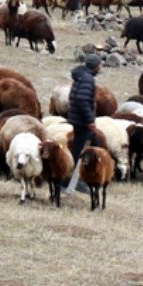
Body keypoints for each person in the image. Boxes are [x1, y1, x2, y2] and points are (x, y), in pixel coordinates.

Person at [63, 53, 101, 196]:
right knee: (79, 152)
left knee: (94, 147)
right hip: (83, 122)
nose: (100, 68)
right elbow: (81, 99)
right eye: (99, 65)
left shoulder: (80, 77)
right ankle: (68, 182)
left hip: (78, 120)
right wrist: (90, 120)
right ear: (96, 66)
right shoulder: (88, 79)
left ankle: (83, 179)